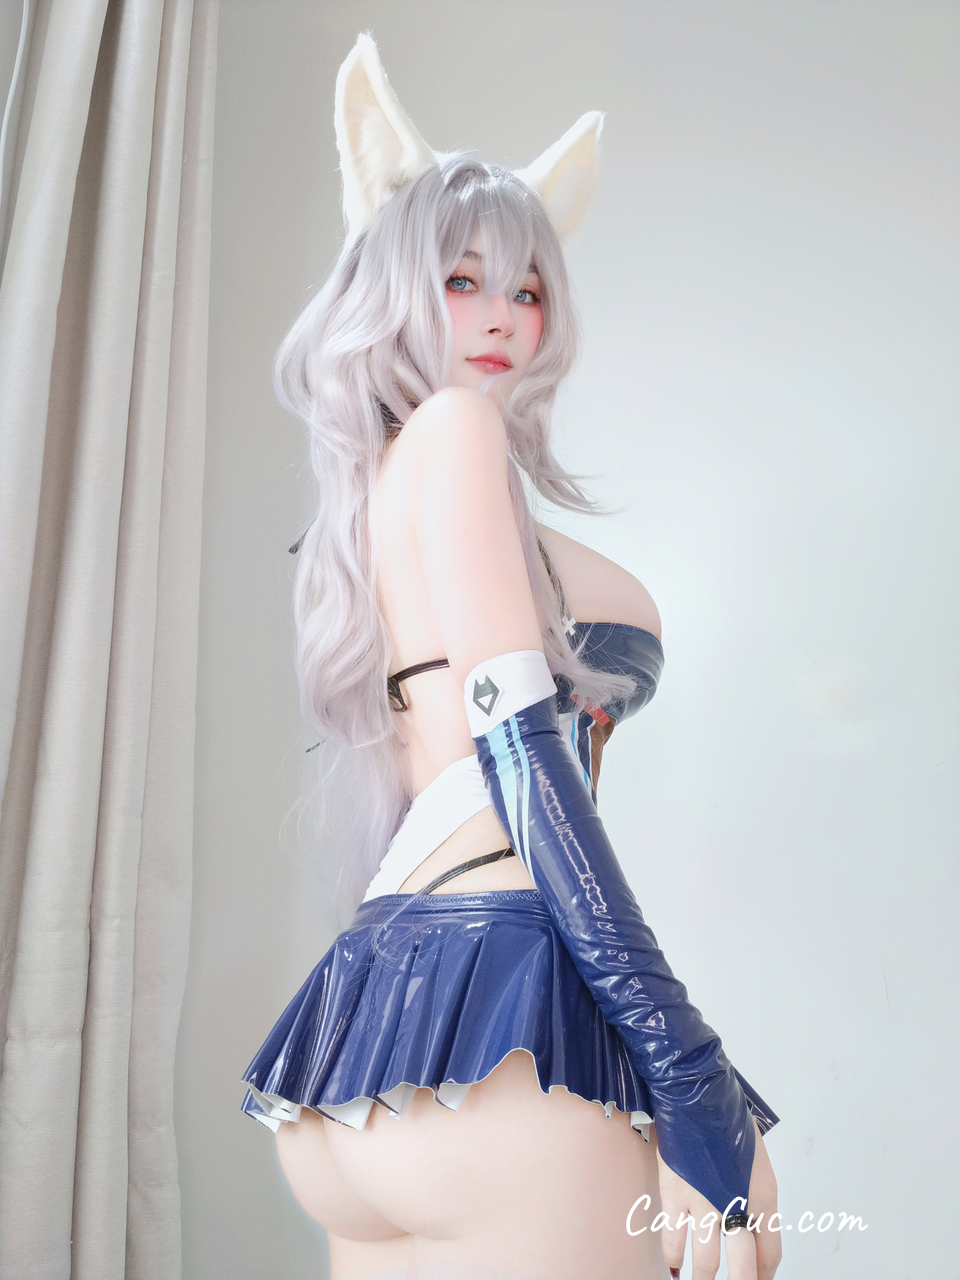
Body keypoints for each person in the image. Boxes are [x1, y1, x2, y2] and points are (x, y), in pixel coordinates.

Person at [241, 35, 781, 1280]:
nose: (501, 315)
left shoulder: (384, 490)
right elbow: (525, 759)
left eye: (527, 288)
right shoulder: (455, 433)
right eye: (463, 279)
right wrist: (692, 1075)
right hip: (500, 1037)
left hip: (364, 1051)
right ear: (391, 285)